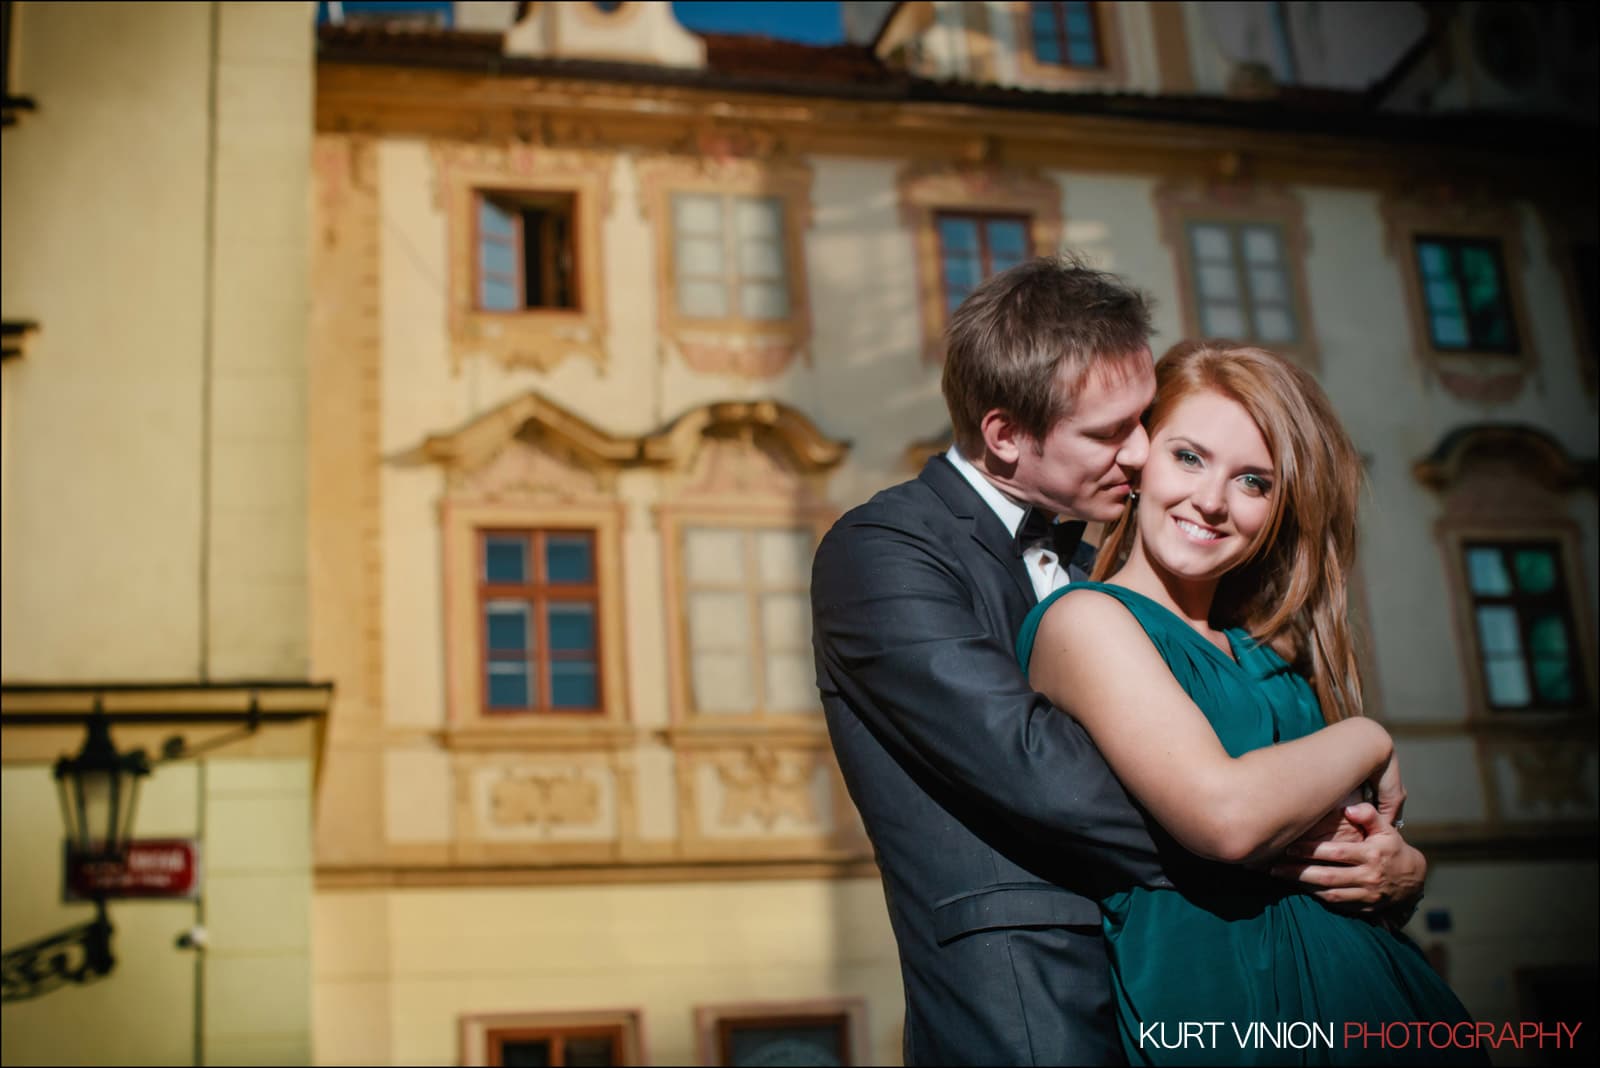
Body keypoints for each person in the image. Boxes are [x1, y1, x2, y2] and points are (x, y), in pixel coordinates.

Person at [811, 256, 1426, 1066]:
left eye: (1145, 423)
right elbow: (1041, 774)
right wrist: (1270, 827)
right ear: (1004, 436)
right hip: (1030, 1000)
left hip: (1206, 981)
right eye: (1110, 433)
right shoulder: (884, 551)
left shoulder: (1111, 565)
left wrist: (1396, 866)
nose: (1140, 454)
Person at [1016, 340, 1481, 1065]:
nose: (1211, 500)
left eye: (1254, 482)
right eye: (1190, 457)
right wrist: (1367, 736)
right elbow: (1226, 819)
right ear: (1140, 458)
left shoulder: (1273, 653)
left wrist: (1399, 876)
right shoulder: (1085, 621)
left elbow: (1344, 842)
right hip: (1225, 1017)